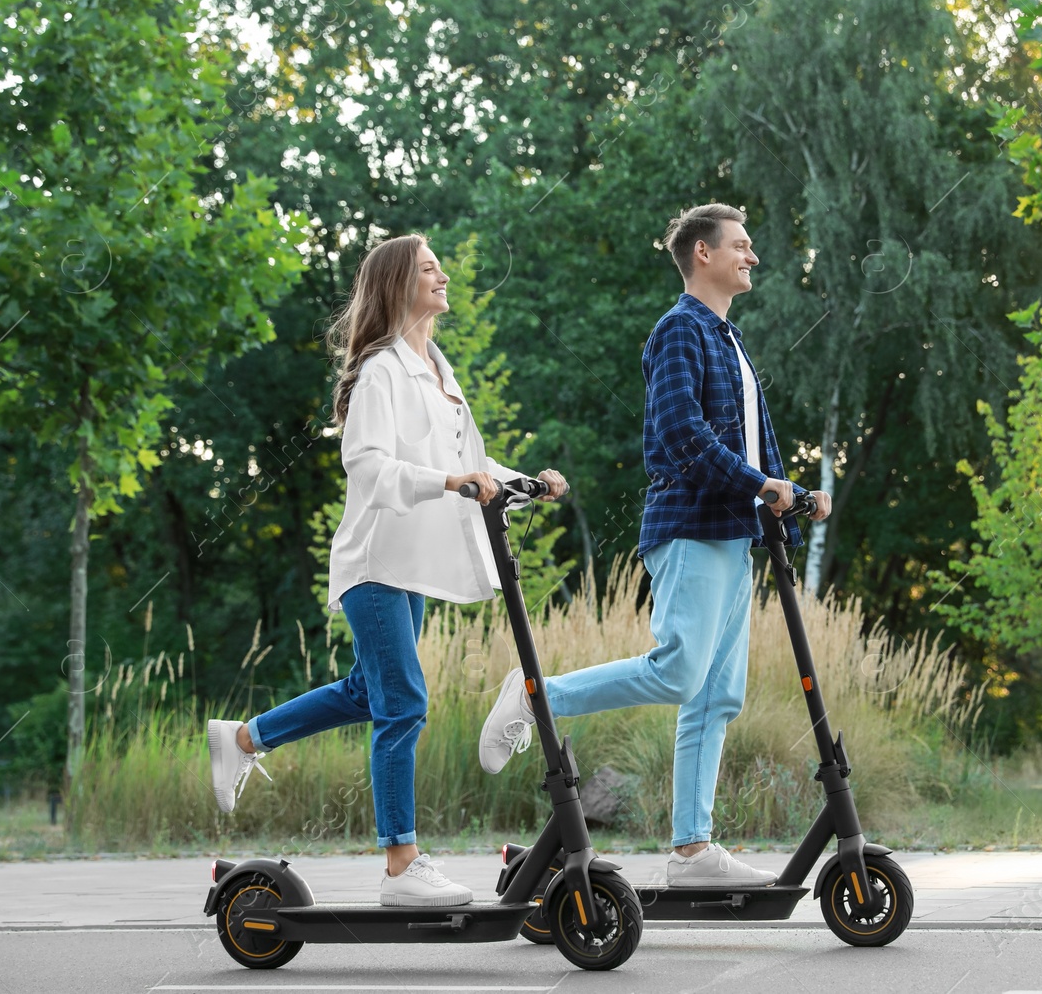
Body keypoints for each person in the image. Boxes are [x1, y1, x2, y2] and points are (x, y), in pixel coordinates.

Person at [205, 234, 567, 907]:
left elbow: (473, 464)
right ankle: (401, 864)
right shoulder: (380, 370)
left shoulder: (437, 366)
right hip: (374, 560)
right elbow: (367, 465)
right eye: (430, 267)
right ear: (399, 282)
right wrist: (447, 479)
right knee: (404, 703)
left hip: (411, 564)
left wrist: (527, 482)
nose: (444, 274)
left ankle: (244, 737)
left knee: (370, 693)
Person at [478, 203, 830, 887]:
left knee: (716, 695)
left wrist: (788, 505)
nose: (752, 256)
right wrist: (763, 484)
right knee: (678, 670)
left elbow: (758, 450)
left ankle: (692, 851)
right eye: (742, 245)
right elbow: (681, 434)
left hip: (735, 535)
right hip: (692, 528)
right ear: (703, 253)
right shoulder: (679, 330)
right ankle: (531, 694)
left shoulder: (731, 343)